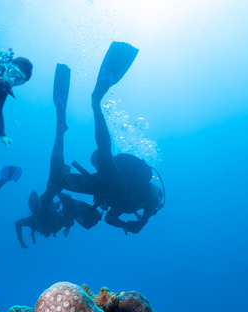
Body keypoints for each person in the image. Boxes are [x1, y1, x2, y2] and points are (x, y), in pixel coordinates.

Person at [50, 43, 164, 234]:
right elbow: (139, 209)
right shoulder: (139, 200)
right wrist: (138, 223)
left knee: (57, 178)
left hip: (105, 186)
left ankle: (61, 127)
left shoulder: (141, 203)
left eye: (94, 164)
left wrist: (128, 225)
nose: (95, 166)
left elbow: (111, 218)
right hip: (113, 180)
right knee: (104, 152)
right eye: (95, 165)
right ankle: (96, 102)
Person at [14, 64, 101, 248]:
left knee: (56, 168)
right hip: (55, 187)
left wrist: (22, 239)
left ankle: (60, 129)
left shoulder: (40, 221)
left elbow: (19, 223)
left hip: (54, 187)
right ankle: (60, 129)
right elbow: (67, 213)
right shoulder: (55, 221)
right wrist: (66, 225)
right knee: (57, 169)